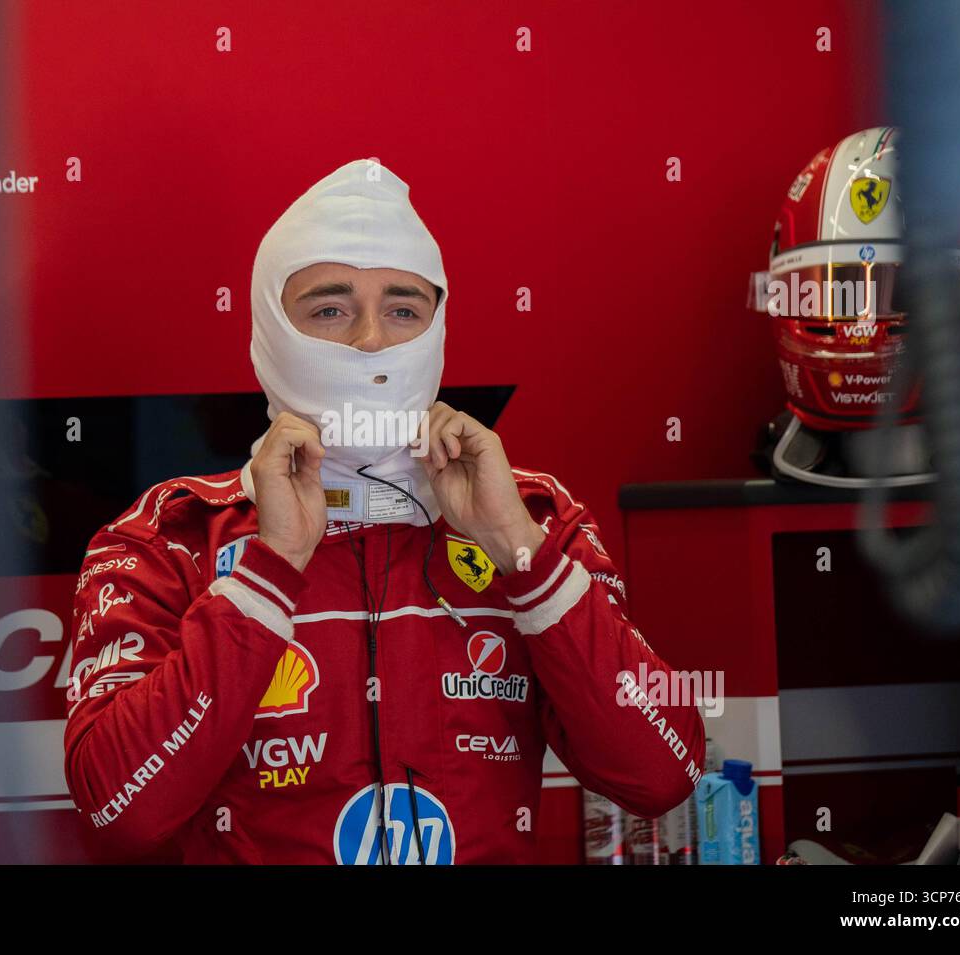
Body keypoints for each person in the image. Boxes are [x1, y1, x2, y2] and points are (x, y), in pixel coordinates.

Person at [63, 159, 706, 863]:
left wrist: (516, 550)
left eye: (403, 309)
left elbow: (662, 773)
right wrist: (267, 572)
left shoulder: (534, 519)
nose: (371, 339)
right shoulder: (170, 535)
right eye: (330, 309)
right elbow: (119, 805)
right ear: (272, 327)